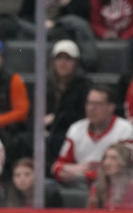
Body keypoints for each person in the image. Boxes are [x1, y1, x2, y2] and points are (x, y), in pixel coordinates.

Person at [52, 84, 133, 186]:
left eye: (97, 104)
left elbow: (125, 169)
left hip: (115, 187)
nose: (91, 108)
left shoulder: (126, 130)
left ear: (111, 107)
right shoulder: (76, 129)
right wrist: (72, 169)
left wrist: (85, 174)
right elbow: (57, 167)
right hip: (80, 185)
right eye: (88, 103)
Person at [45, 39, 91, 167]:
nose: (63, 63)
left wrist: (55, 118)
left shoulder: (84, 86)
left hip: (70, 131)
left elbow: (82, 116)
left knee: (57, 140)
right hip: (46, 130)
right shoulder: (46, 84)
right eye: (59, 59)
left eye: (68, 59)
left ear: (76, 63)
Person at [86, 142, 133, 209]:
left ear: (124, 162)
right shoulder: (97, 186)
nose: (107, 163)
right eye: (105, 158)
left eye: (114, 158)